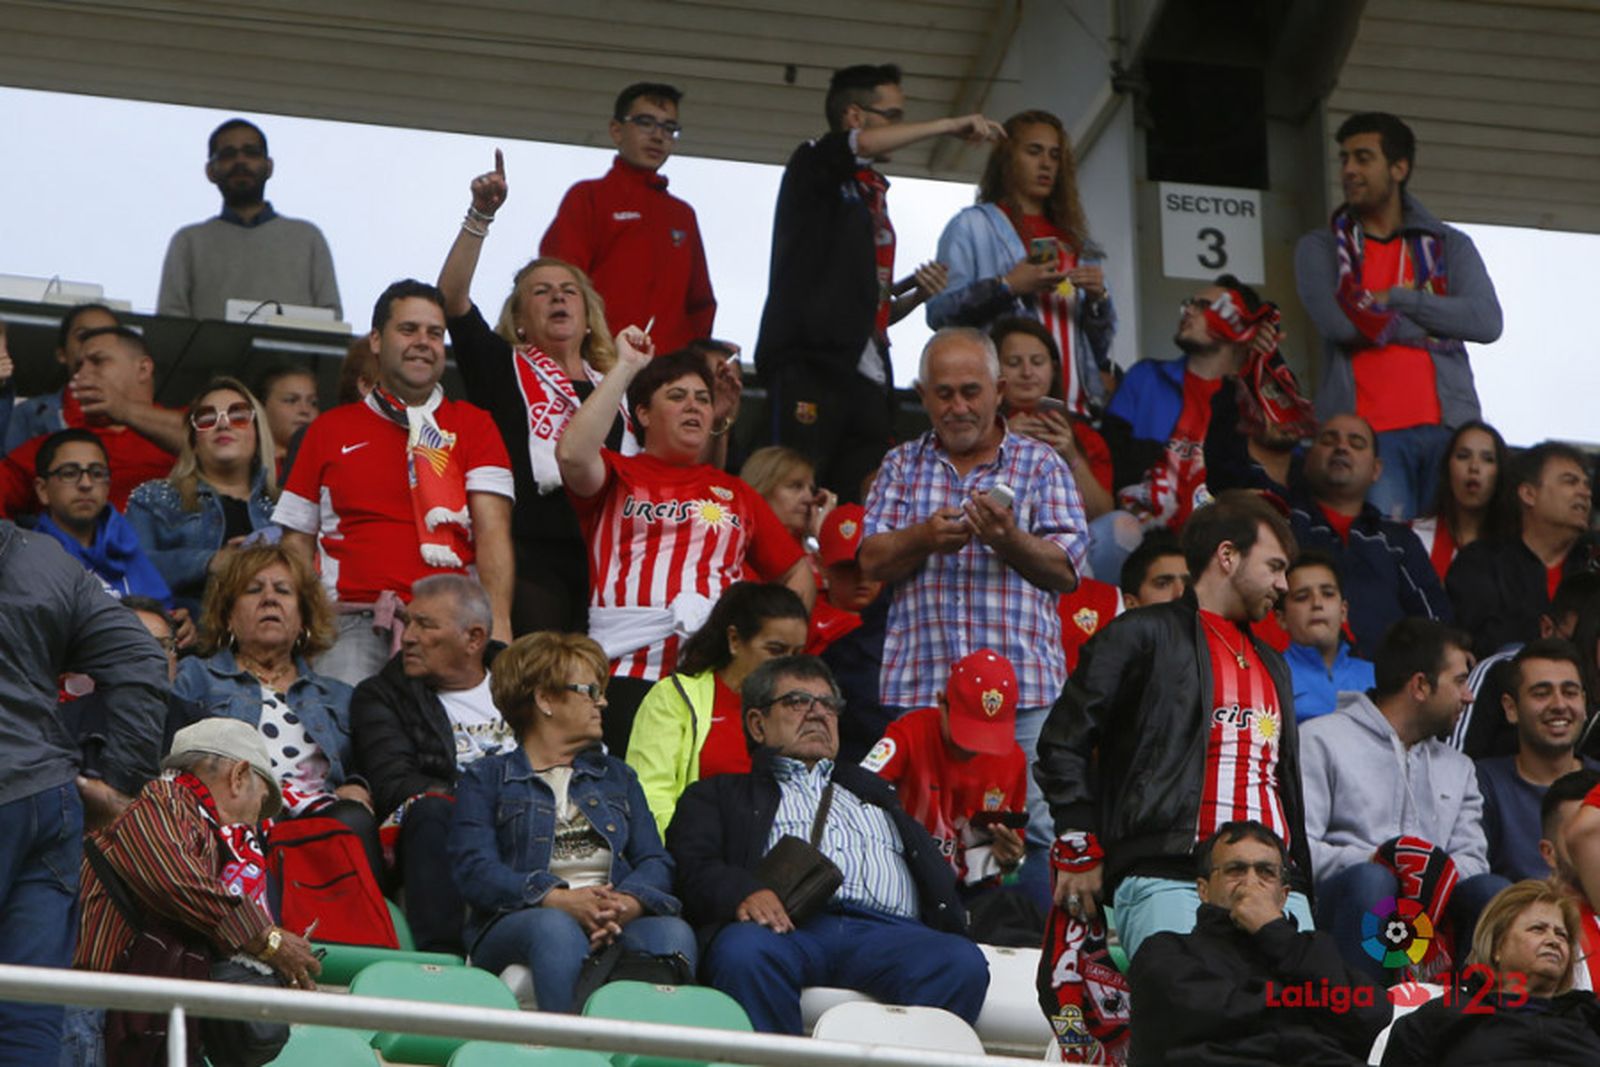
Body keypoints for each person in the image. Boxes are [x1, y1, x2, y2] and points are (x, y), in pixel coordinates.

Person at [1036, 491, 1316, 960]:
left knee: (1288, 1026)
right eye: (1274, 567)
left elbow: (1280, 782)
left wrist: (1298, 883)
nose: (1285, 585)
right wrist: (1078, 841)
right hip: (1170, 874)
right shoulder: (1140, 632)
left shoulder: (1275, 664)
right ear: (1227, 556)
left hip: (1274, 887)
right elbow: (1064, 741)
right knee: (1185, 1019)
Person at [860, 326, 1086, 889]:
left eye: (970, 391)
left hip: (1025, 697)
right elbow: (870, 561)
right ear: (922, 393)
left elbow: (1067, 569)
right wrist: (923, 538)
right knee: (910, 835)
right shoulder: (899, 466)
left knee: (1034, 834)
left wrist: (1008, 537)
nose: (957, 406)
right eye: (943, 393)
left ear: (999, 389)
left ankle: (1040, 965)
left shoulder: (1040, 464)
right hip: (924, 692)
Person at [667, 655, 989, 1034]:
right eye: (798, 701)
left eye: (828, 704)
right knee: (743, 953)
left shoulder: (878, 793)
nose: (818, 713)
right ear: (757, 725)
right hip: (789, 930)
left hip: (890, 933)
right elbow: (691, 864)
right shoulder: (719, 794)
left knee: (960, 963)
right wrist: (745, 892)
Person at [438, 155, 673, 636]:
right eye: (542, 292)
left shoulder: (616, 381)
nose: (559, 298)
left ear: (589, 318)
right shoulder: (502, 365)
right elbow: (452, 298)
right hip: (528, 550)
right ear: (520, 318)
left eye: (569, 291)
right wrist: (480, 216)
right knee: (540, 675)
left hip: (606, 553)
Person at [754, 62, 1000, 500]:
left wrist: (911, 294)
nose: (900, 127)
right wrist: (948, 124)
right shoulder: (815, 160)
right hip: (811, 366)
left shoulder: (871, 191)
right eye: (892, 115)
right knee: (793, 489)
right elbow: (859, 145)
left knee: (865, 496)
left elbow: (864, 305)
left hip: (868, 371)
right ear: (854, 116)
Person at [557, 339, 813, 755]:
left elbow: (795, 571)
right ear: (642, 413)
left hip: (715, 681)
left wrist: (782, 646)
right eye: (676, 396)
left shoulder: (737, 493)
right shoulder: (618, 474)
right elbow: (571, 455)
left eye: (702, 399)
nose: (693, 406)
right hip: (625, 670)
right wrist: (626, 366)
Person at [274, 280, 515, 683]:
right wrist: (304, 625)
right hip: (352, 622)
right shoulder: (328, 430)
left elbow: (493, 534)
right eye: (408, 330)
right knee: (344, 740)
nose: (423, 342)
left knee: (454, 745)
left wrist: (500, 627)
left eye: (434, 333)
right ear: (375, 340)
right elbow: (296, 542)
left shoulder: (475, 426)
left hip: (451, 625)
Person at [448, 631, 695, 1013]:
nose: (604, 702)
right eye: (590, 691)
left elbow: (655, 861)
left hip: (613, 916)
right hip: (521, 919)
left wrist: (626, 903)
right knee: (555, 929)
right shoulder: (487, 777)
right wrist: (555, 898)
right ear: (545, 699)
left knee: (671, 932)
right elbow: (475, 871)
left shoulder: (618, 777)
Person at [0, 517, 167, 1062]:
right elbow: (143, 657)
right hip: (49, 799)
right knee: (30, 1016)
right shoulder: (48, 558)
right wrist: (118, 783)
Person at [64, 719, 322, 1066]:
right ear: (239, 776)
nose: (256, 821)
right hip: (88, 1014)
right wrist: (268, 940)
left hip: (118, 1015)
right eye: (261, 804)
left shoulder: (195, 826)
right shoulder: (166, 799)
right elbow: (176, 882)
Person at [1294, 112, 1502, 521]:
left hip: (1450, 432)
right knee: (1385, 555)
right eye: (1344, 159)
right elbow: (1342, 326)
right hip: (1368, 441)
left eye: (1363, 157)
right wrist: (1436, 319)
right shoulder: (1318, 248)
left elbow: (1485, 321)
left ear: (1399, 168)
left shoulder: (1449, 244)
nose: (1349, 170)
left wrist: (1397, 299)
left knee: (1447, 561)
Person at [1300, 618, 1508, 979]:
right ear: (1420, 686)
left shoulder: (1459, 767)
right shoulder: (1321, 739)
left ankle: (1476, 1021)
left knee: (1494, 893)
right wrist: (1383, 863)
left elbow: (1474, 860)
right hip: (1346, 910)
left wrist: (1427, 875)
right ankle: (1361, 1021)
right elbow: (1299, 849)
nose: (1469, 695)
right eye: (1459, 681)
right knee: (1373, 883)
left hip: (1434, 920)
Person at [172, 544, 381, 876]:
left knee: (352, 819)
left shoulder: (339, 696)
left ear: (302, 619)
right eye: (253, 590)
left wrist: (357, 785)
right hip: (235, 815)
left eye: (283, 591)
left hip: (318, 814)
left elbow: (367, 766)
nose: (269, 599)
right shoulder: (196, 676)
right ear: (228, 616)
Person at [1129, 821, 1390, 1067]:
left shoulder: (1310, 950)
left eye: (1266, 872)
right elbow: (1204, 1019)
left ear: (1284, 895)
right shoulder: (1165, 952)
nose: (1251, 882)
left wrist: (1275, 931)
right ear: (1203, 890)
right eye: (1235, 870)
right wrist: (1310, 1010)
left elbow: (1373, 1017)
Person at [350, 575, 512, 955]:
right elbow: (394, 784)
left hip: (530, 816)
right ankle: (441, 960)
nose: (406, 637)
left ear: (473, 639)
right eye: (408, 622)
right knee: (431, 809)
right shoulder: (382, 695)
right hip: (445, 826)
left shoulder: (524, 680)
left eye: (425, 625)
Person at [928, 109, 1116, 417]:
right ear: (1006, 157)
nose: (1046, 164)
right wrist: (1008, 286)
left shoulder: (1078, 241)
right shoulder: (972, 226)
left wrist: (1099, 299)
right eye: (1034, 151)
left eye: (1055, 156)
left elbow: (1099, 345)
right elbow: (940, 312)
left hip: (1071, 409)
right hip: (999, 410)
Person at [539, 82, 714, 353]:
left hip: (665, 379)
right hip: (599, 364)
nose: (658, 136)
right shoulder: (588, 197)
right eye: (646, 122)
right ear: (616, 130)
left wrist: (685, 362)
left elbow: (700, 304)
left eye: (669, 128)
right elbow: (560, 284)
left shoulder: (682, 215)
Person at [862, 650, 1030, 930]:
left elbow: (1011, 856)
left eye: (988, 734)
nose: (974, 746)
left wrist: (1011, 860)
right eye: (967, 731)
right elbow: (859, 791)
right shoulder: (909, 733)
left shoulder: (1013, 759)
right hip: (901, 881)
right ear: (941, 703)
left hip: (970, 892)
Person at [626, 582, 810, 835]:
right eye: (776, 650)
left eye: (796, 653)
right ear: (734, 640)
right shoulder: (673, 697)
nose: (787, 664)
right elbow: (649, 794)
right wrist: (688, 853)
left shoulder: (803, 711)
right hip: (690, 857)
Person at [1100, 276, 1275, 535]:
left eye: (1204, 306)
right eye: (1189, 304)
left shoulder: (1250, 401)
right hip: (1140, 533)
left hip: (1216, 536)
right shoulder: (1146, 376)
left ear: (1238, 324)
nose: (1189, 310)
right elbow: (1108, 459)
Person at [1380, 880, 1600, 1065]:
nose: (1554, 941)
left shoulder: (1590, 1018)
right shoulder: (1443, 1018)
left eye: (1561, 935)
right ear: (1497, 947)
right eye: (1538, 929)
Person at [1287, 413, 1451, 657]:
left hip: (1387, 685)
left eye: (1356, 443)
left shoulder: (1399, 541)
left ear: (1376, 469)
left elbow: (1435, 618)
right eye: (1329, 440)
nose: (1342, 447)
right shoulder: (1284, 526)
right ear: (1308, 460)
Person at [157, 118, 341, 321]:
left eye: (251, 152)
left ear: (269, 166)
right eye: (228, 155)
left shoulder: (307, 237)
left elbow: (330, 319)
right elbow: (170, 321)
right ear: (210, 171)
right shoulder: (189, 241)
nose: (240, 161)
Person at [126, 377, 280, 615]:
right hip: (188, 644)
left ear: (258, 434)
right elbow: (131, 571)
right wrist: (209, 562)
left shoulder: (286, 508)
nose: (223, 425)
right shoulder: (152, 498)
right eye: (207, 419)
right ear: (193, 441)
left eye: (238, 416)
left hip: (271, 645)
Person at [990, 316, 1129, 579]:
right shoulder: (980, 433)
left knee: (1125, 526)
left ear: (1053, 369)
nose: (1027, 372)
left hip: (1068, 558)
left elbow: (1104, 517)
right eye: (1014, 363)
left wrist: (1071, 455)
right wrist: (1002, 443)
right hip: (999, 550)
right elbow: (973, 506)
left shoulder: (1085, 438)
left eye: (1037, 362)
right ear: (995, 372)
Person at [0, 326, 183, 518]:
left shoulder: (187, 423)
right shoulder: (52, 447)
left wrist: (124, 409)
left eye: (98, 361)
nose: (81, 374)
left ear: (143, 369)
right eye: (78, 366)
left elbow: (203, 442)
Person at [1449, 442, 1598, 660]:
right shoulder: (1481, 563)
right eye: (1570, 482)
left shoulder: (1593, 561)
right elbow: (1481, 641)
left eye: (1586, 485)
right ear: (1528, 493)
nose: (1585, 492)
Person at [1476, 640, 1599, 882]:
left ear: (1584, 704)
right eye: (1541, 694)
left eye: (1570, 692)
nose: (1559, 705)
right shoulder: (1483, 784)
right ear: (1511, 708)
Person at [30, 428, 171, 605]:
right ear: (42, 490)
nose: (86, 484)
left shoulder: (127, 544)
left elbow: (162, 609)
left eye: (97, 473)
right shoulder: (30, 559)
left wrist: (174, 622)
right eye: (69, 473)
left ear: (108, 486)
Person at [810, 504, 891, 762]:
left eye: (871, 565)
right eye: (848, 566)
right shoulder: (800, 620)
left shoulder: (905, 622)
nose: (862, 576)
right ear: (822, 565)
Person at [0, 302, 119, 455]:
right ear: (62, 354)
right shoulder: (27, 414)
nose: (95, 344)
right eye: (83, 336)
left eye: (106, 336)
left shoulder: (148, 419)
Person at [1278, 550, 1375, 722]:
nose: (1317, 603)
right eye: (1302, 597)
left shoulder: (1375, 675)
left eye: (1328, 594)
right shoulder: (1272, 677)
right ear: (1282, 618)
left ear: (1343, 611)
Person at [1411, 420, 1514, 580]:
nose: (1474, 467)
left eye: (1487, 459)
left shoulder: (1516, 552)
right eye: (1463, 456)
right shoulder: (1413, 536)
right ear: (1447, 468)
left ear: (1500, 472)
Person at [739, 445, 833, 550]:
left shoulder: (813, 553)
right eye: (796, 486)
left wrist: (823, 533)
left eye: (811, 490)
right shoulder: (735, 548)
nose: (809, 498)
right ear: (762, 489)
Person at [255, 364, 320, 473]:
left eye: (313, 403)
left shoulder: (327, 469)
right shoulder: (244, 468)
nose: (305, 410)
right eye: (291, 400)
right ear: (261, 408)